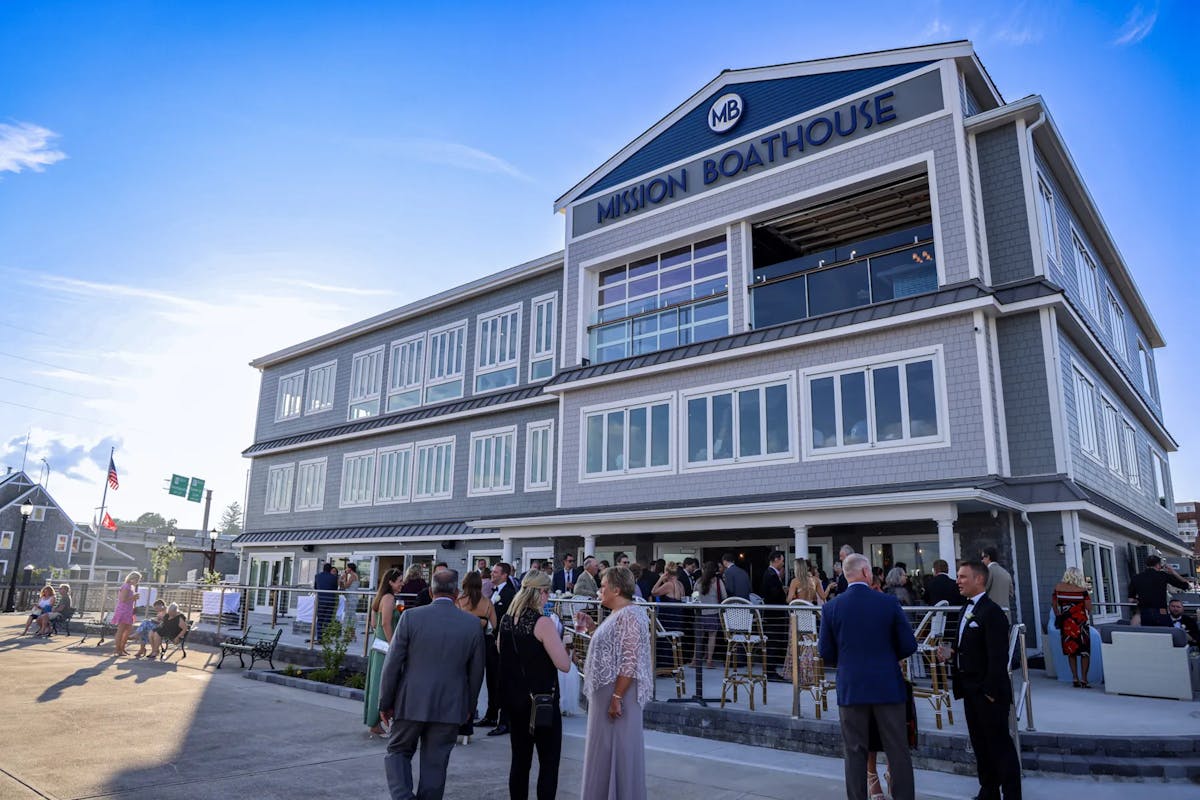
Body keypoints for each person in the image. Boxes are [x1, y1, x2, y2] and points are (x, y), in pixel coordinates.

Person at [818, 554, 917, 800]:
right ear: (865, 573)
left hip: (852, 685)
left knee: (854, 751)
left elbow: (825, 653)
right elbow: (908, 644)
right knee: (898, 749)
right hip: (887, 684)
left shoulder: (831, 607)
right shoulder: (888, 603)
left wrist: (848, 662)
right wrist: (886, 656)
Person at [379, 569, 484, 800]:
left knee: (397, 751)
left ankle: (403, 796)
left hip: (410, 701)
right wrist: (469, 706)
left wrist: (385, 702)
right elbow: (476, 673)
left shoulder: (410, 617)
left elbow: (392, 664)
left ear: (430, 591)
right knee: (435, 764)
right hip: (450, 705)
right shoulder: (472, 624)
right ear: (457, 593)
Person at [573, 566, 651, 800]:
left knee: (618, 749)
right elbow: (614, 647)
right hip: (607, 692)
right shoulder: (619, 613)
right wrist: (592, 627)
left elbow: (630, 659)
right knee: (604, 750)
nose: (599, 590)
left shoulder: (631, 614)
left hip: (618, 695)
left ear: (617, 589)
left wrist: (616, 697)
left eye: (603, 586)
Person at [945, 560, 1020, 800]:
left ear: (979, 579)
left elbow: (998, 657)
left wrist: (989, 691)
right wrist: (952, 654)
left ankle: (1011, 794)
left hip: (989, 693)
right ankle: (988, 790)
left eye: (963, 577)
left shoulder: (993, 612)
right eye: (958, 576)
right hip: (969, 690)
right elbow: (970, 648)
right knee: (980, 744)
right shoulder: (964, 609)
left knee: (1000, 746)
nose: (958, 581)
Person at [498, 571, 571, 800]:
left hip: (514, 700)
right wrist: (569, 646)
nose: (548, 597)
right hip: (541, 702)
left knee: (519, 761)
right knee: (548, 763)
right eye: (547, 592)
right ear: (539, 592)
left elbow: (502, 650)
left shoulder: (506, 620)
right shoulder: (543, 623)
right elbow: (564, 665)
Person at [457, 570, 497, 743]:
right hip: (480, 646)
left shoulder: (459, 601)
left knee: (459, 684)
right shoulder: (487, 603)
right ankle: (467, 728)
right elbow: (494, 626)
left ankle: (454, 723)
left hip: (460, 646)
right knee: (474, 686)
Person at [365, 567, 404, 738]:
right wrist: (393, 645)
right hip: (385, 648)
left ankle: (375, 722)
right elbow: (385, 624)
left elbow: (374, 623)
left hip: (377, 645)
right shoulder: (388, 598)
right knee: (381, 684)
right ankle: (375, 723)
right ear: (390, 582)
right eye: (399, 581)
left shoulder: (380, 597)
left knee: (376, 684)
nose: (402, 584)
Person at [482, 562, 519, 736]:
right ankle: (490, 714)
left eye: (496, 572)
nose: (492, 574)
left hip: (502, 643)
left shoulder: (510, 594)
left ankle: (504, 721)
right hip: (490, 641)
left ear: (504, 575)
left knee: (501, 681)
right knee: (491, 679)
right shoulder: (492, 592)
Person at [1051, 567, 1093, 688]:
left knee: (1071, 651)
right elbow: (1089, 608)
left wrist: (1059, 616)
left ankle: (1075, 677)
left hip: (1067, 623)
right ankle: (1084, 679)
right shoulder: (1083, 590)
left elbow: (1054, 606)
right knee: (1085, 652)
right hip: (1081, 624)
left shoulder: (1058, 589)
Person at [1128, 554, 1189, 627]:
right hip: (1161, 612)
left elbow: (1131, 599)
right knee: (1165, 634)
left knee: (1148, 634)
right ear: (1158, 565)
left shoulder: (1136, 577)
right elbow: (1186, 585)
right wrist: (1173, 572)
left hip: (1144, 613)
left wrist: (1139, 601)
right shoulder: (1163, 575)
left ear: (1146, 565)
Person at [761, 550, 788, 676]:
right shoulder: (771, 575)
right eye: (782, 560)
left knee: (774, 642)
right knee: (773, 642)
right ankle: (770, 671)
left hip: (774, 615)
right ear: (776, 560)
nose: (783, 563)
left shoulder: (771, 573)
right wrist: (784, 593)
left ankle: (770, 669)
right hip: (774, 615)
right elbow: (774, 595)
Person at [693, 561, 724, 668]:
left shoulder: (698, 581)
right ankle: (709, 661)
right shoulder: (718, 582)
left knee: (699, 638)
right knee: (712, 636)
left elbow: (694, 596)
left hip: (700, 613)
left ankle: (695, 660)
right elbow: (724, 596)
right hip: (713, 612)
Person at [112, 571, 141, 656]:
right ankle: (118, 649)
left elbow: (128, 599)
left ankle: (122, 648)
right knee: (121, 631)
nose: (137, 581)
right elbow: (123, 599)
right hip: (123, 610)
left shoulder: (131, 587)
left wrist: (134, 598)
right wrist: (133, 597)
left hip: (129, 611)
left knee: (127, 631)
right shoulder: (126, 586)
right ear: (132, 578)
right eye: (137, 579)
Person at [981, 546, 1013, 616]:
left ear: (988, 557)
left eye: (983, 557)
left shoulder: (988, 571)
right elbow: (1011, 594)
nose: (982, 560)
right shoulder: (1006, 573)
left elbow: (982, 591)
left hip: (991, 615)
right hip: (1005, 615)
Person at [313, 563, 339, 642]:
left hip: (321, 600)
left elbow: (315, 587)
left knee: (320, 620)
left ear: (323, 568)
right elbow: (335, 589)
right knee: (328, 620)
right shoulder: (334, 577)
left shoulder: (317, 576)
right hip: (331, 600)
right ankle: (326, 638)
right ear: (330, 569)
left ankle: (320, 638)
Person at [340, 562, 361, 640]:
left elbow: (346, 586)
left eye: (347, 568)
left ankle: (349, 634)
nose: (346, 569)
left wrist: (343, 579)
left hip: (351, 598)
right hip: (353, 597)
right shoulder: (356, 575)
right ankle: (352, 634)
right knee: (351, 615)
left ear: (350, 569)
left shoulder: (352, 576)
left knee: (349, 616)